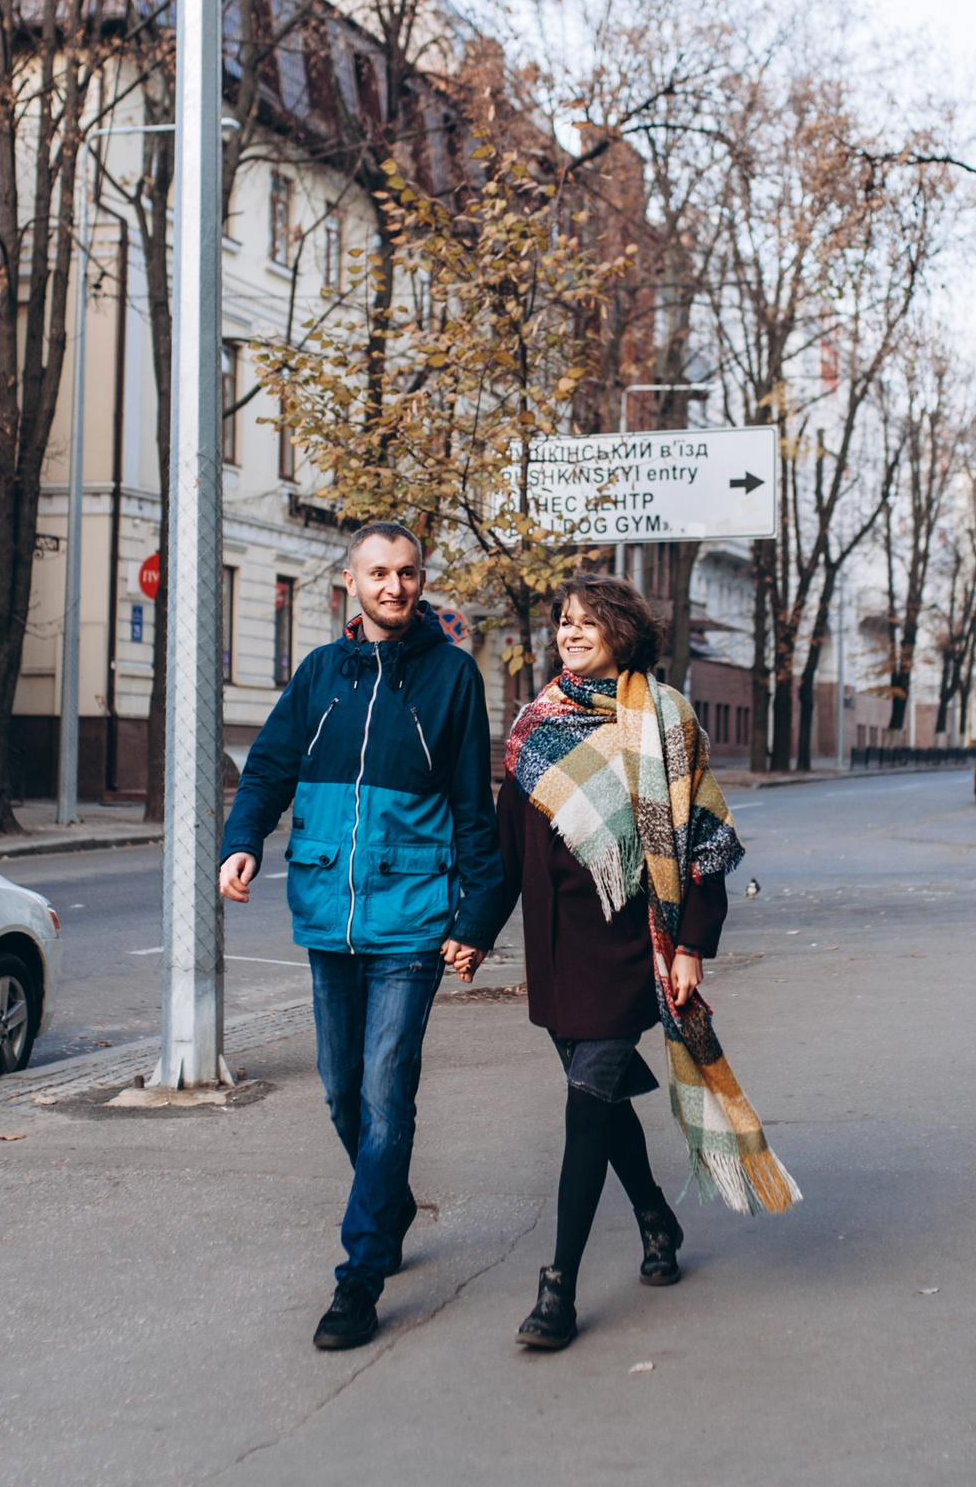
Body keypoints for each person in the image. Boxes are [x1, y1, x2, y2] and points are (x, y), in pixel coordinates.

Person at [445, 572, 799, 1352]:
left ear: (621, 632)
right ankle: (655, 1217)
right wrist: (474, 931)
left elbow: (704, 842)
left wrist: (692, 945)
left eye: (587, 622)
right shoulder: (537, 724)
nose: (571, 634)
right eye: (564, 622)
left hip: (632, 949)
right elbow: (505, 854)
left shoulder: (666, 720)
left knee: (584, 1107)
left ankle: (559, 1289)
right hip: (556, 951)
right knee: (601, 1103)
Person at [219, 522, 504, 1353]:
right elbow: (269, 767)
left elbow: (473, 808)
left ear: (421, 579)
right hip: (327, 914)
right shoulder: (319, 674)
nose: (395, 586)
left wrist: (475, 919)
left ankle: (361, 1276)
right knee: (341, 1090)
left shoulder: (452, 676)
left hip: (411, 916)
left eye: (407, 572)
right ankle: (390, 1200)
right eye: (378, 572)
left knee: (385, 1092)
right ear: (350, 582)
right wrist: (243, 839)